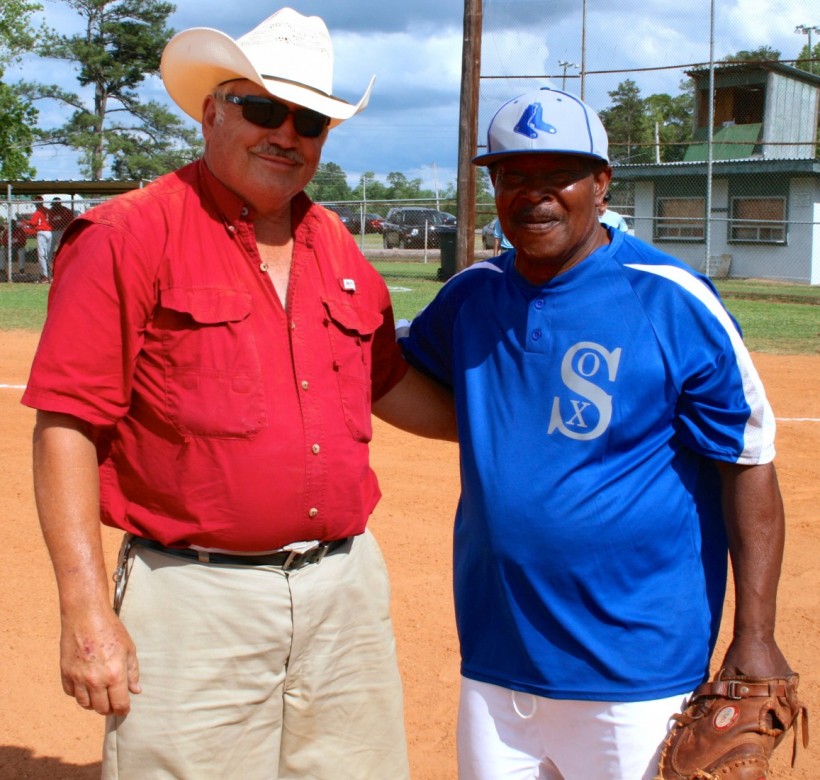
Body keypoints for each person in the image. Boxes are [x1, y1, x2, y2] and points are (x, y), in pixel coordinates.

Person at [23, 9, 454, 780]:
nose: (287, 134)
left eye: (311, 120)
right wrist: (85, 612)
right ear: (212, 110)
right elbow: (67, 424)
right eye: (263, 109)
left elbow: (386, 381)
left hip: (343, 593)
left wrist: (522, 424)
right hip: (194, 599)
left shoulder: (338, 245)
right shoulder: (126, 236)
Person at [399, 87, 795, 779]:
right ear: (494, 185)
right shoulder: (470, 296)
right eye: (515, 176)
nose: (537, 195)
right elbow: (404, 379)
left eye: (560, 175)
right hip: (497, 662)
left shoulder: (671, 299)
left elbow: (748, 460)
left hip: (636, 672)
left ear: (602, 183)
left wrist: (754, 635)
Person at [27, 195, 53, 282]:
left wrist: (24, 220)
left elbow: (33, 223)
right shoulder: (48, 211)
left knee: (41, 255)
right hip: (50, 233)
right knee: (48, 254)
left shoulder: (38, 212)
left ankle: (45, 276)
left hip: (42, 233)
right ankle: (50, 275)